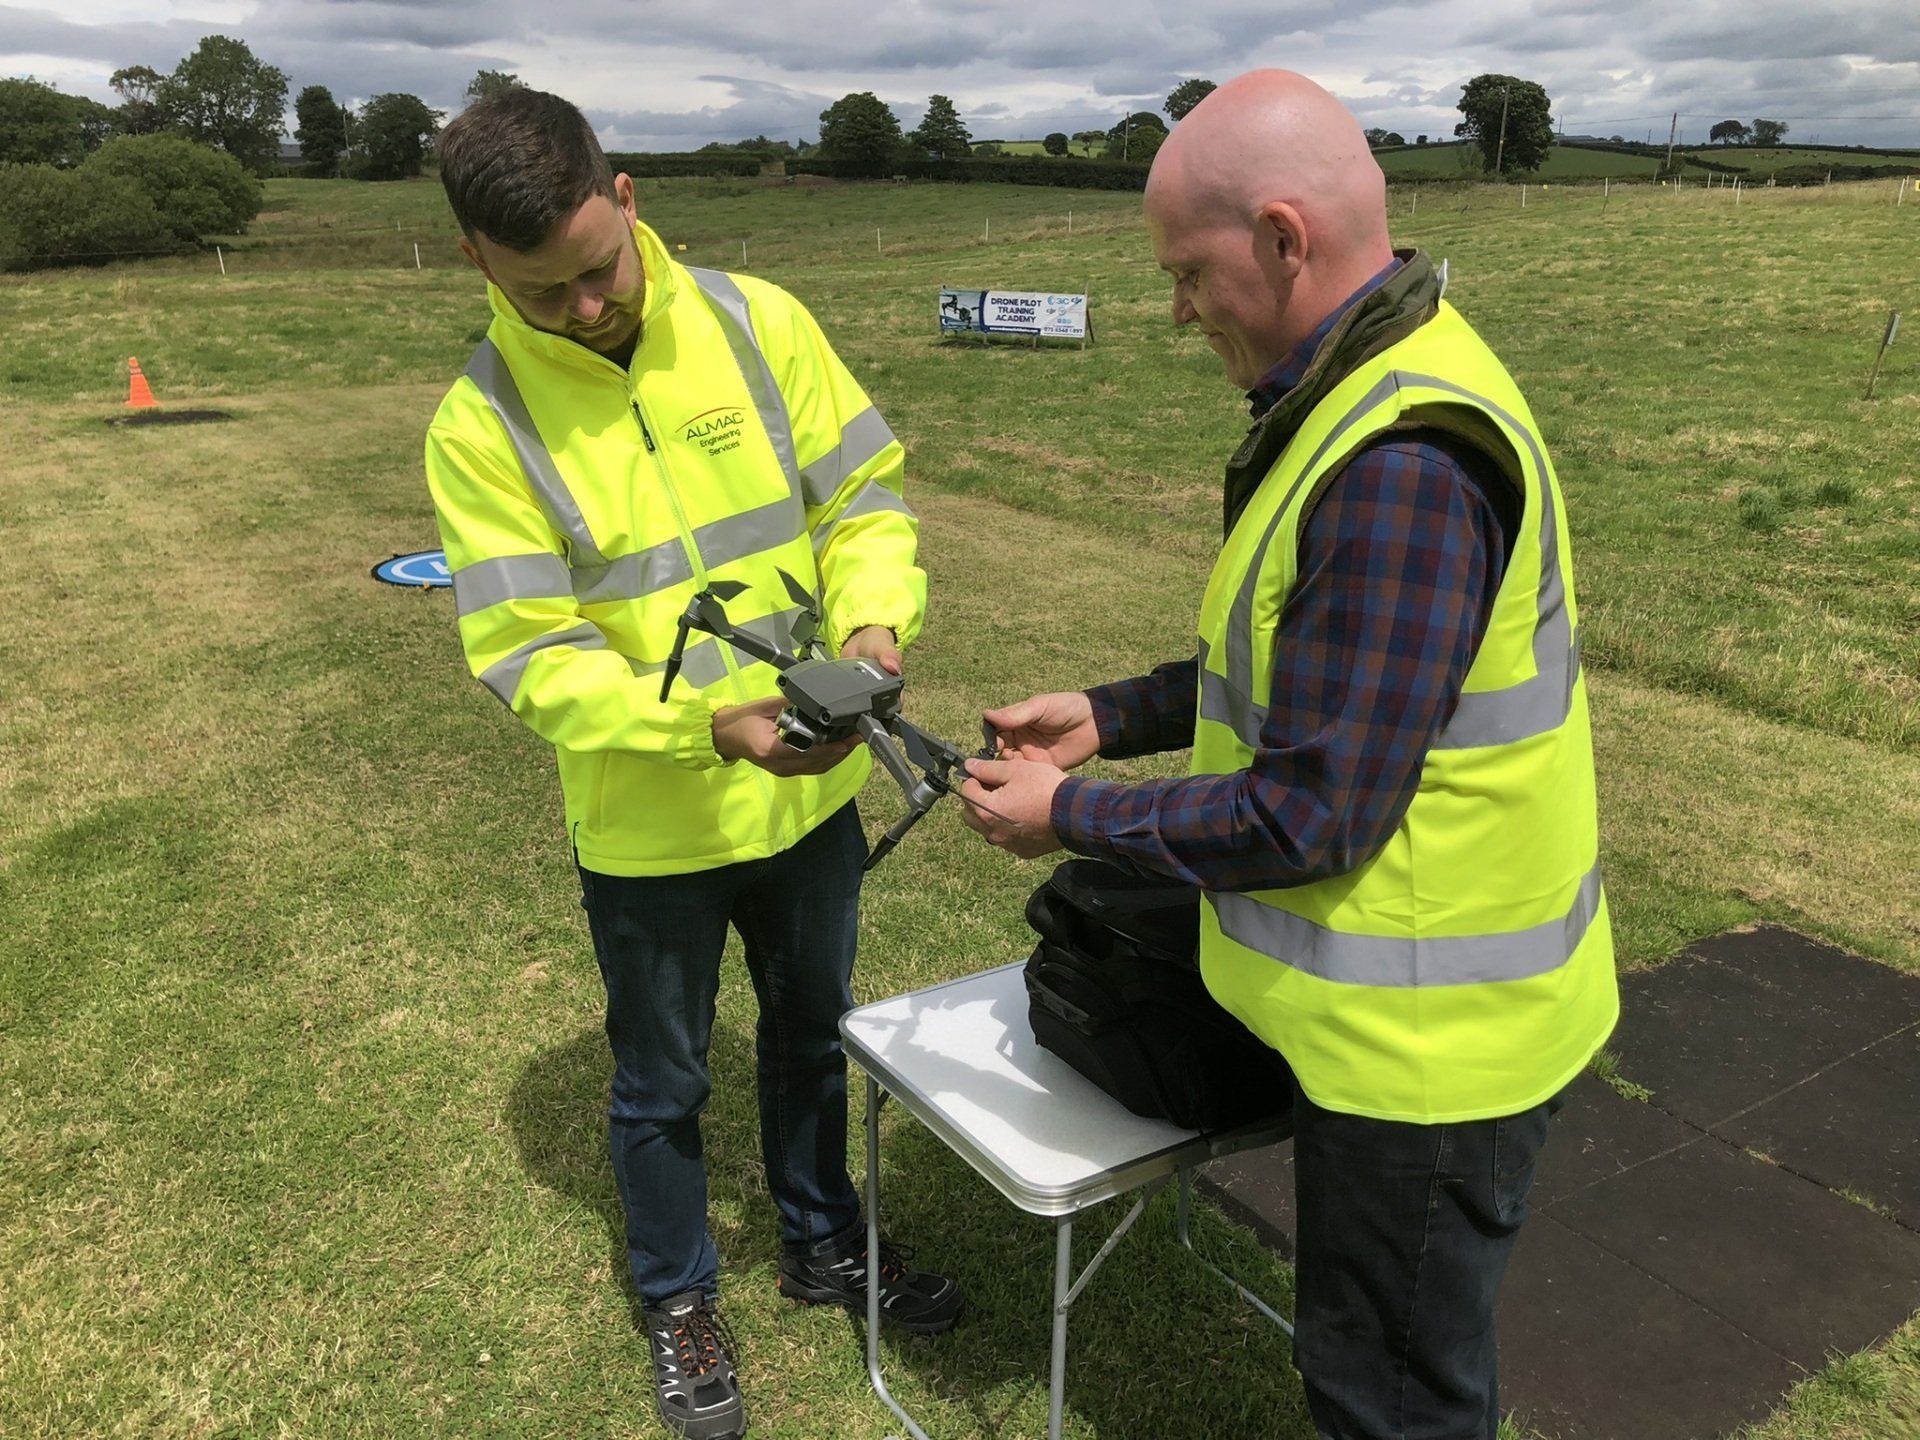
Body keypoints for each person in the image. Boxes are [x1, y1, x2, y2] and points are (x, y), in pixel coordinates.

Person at [959, 70, 1617, 1440]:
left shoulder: (1397, 461)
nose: (1178, 310)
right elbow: (1315, 675)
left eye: (1189, 274)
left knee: (1387, 1400)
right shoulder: (1377, 383)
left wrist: (1071, 812)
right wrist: (1113, 712)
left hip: (1432, 1055)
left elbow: (1312, 810)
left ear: (1279, 235)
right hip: (1411, 1034)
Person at [424, 89, 961, 1440]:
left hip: (816, 799)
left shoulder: (758, 321)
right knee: (661, 1084)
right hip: (650, 834)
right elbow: (528, 656)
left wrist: (876, 625)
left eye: (597, 270)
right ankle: (677, 1297)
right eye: (544, 293)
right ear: (480, 262)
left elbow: (863, 499)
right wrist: (700, 726)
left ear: (629, 194)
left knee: (810, 1038)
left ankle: (821, 1240)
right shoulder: (479, 425)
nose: (587, 308)